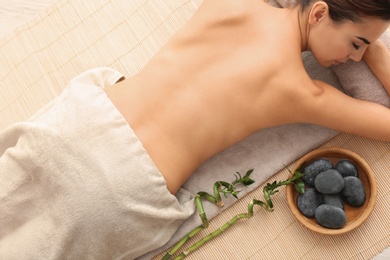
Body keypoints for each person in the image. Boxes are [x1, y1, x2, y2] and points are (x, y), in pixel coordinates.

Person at [0, 0, 389, 259]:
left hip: (79, 124)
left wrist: (366, 27)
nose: (353, 57)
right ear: (319, 13)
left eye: (363, 49)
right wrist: (379, 52)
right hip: (120, 190)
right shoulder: (300, 91)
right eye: (356, 43)